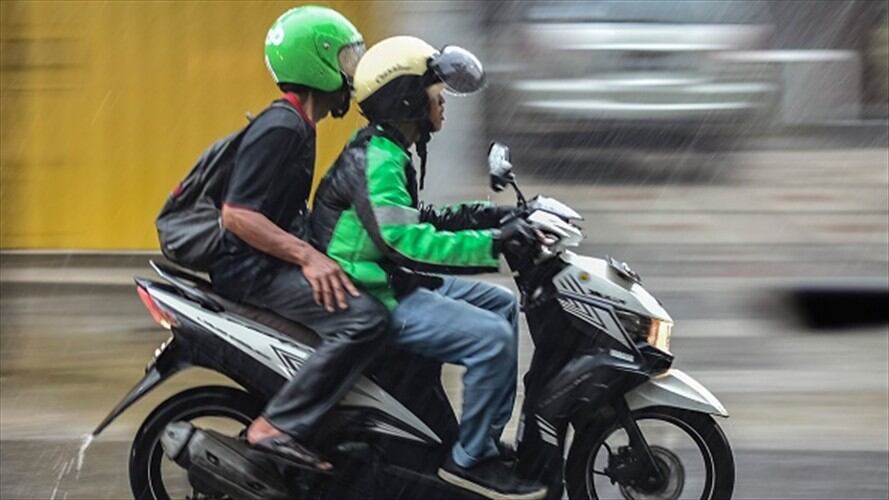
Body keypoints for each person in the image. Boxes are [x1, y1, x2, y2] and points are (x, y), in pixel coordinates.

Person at [311, 36, 547, 500]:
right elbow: (405, 243)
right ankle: (468, 460)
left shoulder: (392, 151)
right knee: (489, 338)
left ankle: (482, 440)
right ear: (406, 100)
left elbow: (420, 220)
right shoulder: (377, 158)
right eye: (436, 96)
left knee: (500, 305)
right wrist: (493, 245)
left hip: (392, 279)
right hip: (370, 292)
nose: (443, 105)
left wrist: (492, 216)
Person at [209, 6, 387, 471]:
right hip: (250, 271)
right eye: (347, 60)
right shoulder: (282, 127)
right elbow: (237, 215)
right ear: (317, 61)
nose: (353, 71)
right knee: (364, 318)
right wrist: (308, 257)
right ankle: (277, 425)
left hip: (262, 263)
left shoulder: (298, 124)